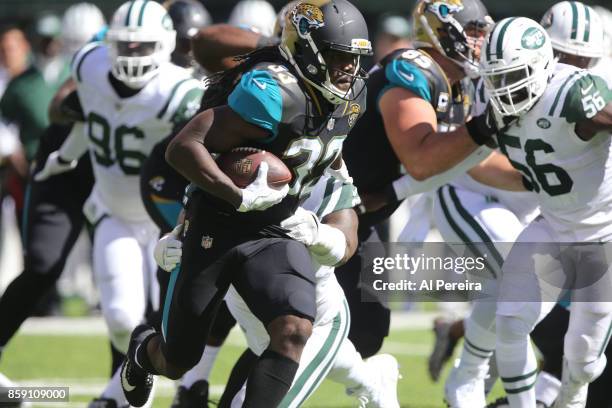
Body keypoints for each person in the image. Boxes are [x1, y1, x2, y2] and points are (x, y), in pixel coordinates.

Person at [120, 1, 372, 407]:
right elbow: (184, 147)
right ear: (306, 52)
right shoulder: (273, 92)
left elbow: (322, 146)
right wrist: (236, 194)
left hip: (276, 226)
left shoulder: (352, 95)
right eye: (339, 57)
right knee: (178, 358)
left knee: (293, 330)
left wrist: (337, 195)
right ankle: (142, 350)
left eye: (355, 58)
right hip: (217, 223)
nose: (349, 70)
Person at [35, 1, 204, 407]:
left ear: (164, 45)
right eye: (124, 46)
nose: (131, 55)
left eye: (141, 46)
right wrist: (67, 157)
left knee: (188, 319)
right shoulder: (90, 65)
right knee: (120, 319)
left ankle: (135, 395)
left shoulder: (182, 91)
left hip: (167, 219)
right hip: (115, 212)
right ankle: (128, 391)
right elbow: (89, 117)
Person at [465, 16, 612, 408]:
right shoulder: (497, 105)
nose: (504, 88)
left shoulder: (572, 93)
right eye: (496, 77)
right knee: (511, 322)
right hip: (551, 225)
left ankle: (572, 397)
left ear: (541, 64)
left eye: (513, 75)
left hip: (603, 237)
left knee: (581, 360)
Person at [339, 0, 497, 361]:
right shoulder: (412, 69)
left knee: (366, 334)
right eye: (474, 31)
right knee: (293, 324)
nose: (479, 42)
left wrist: (534, 178)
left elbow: (470, 161)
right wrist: (486, 125)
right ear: (440, 30)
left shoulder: (458, 85)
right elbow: (423, 159)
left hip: (367, 210)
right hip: (326, 206)